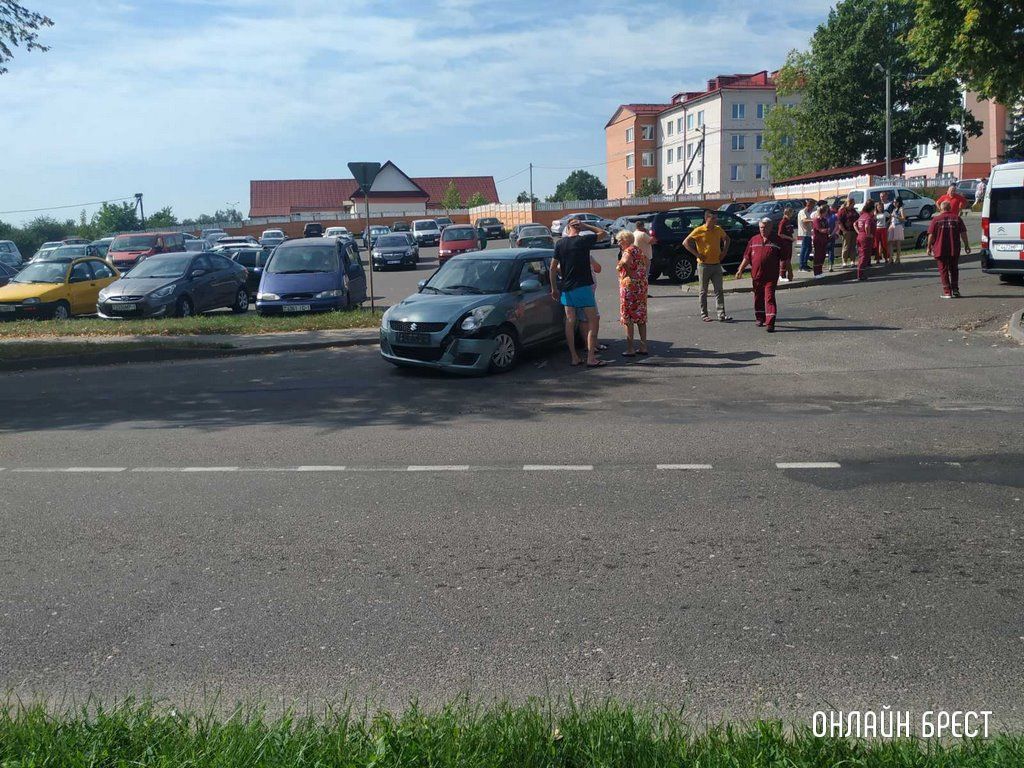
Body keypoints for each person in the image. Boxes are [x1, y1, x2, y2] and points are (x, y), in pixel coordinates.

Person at [549, 218, 607, 367]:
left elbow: (552, 268)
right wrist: (586, 225)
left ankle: (574, 357)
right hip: (583, 287)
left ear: (568, 227)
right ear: (578, 227)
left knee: (570, 321)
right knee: (592, 321)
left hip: (567, 288)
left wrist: (554, 288)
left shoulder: (560, 244)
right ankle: (591, 358)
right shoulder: (583, 240)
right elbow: (603, 233)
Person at [735, 217, 785, 332]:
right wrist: (740, 270)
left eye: (765, 227)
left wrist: (788, 272)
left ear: (770, 227)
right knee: (758, 297)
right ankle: (759, 318)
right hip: (757, 276)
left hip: (771, 276)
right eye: (761, 227)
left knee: (769, 298)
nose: (763, 229)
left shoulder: (777, 240)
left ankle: (770, 322)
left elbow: (785, 258)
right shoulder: (753, 240)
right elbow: (747, 257)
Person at [683, 210, 732, 322]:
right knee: (703, 291)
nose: (715, 221)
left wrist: (724, 252)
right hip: (703, 265)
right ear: (707, 219)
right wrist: (697, 254)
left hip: (716, 264)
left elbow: (727, 239)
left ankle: (721, 314)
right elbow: (685, 243)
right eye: (713, 219)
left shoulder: (718, 229)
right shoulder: (699, 230)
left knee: (719, 290)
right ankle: (704, 314)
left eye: (716, 219)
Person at [927, 200, 971, 298]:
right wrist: (967, 245)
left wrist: (928, 247)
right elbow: (963, 233)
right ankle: (955, 290)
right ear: (950, 208)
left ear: (941, 208)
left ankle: (947, 292)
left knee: (943, 270)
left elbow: (931, 235)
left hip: (940, 248)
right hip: (954, 247)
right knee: (954, 269)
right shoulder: (957, 218)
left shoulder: (936, 219)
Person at [615, 230, 649, 356]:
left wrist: (627, 271)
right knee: (640, 316)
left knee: (628, 317)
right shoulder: (638, 250)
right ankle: (643, 346)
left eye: (619, 240)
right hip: (641, 285)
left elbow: (623, 263)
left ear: (625, 240)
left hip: (630, 287)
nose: (618, 243)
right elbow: (647, 262)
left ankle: (630, 349)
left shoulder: (627, 251)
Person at [854, 200, 877, 281]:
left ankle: (861, 273)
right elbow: (867, 226)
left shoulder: (862, 216)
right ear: (871, 210)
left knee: (861, 255)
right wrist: (868, 234)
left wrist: (859, 232)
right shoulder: (868, 217)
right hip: (866, 239)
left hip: (860, 236)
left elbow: (855, 224)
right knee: (865, 256)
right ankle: (860, 274)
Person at [774, 207, 796, 281]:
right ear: (788, 213)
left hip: (789, 243)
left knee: (788, 258)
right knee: (784, 259)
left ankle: (786, 274)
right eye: (791, 212)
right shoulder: (783, 222)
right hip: (784, 243)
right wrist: (790, 238)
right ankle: (782, 275)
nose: (792, 214)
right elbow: (780, 234)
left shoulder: (788, 221)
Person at [837, 197, 859, 268]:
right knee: (846, 246)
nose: (854, 204)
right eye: (853, 203)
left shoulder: (854, 211)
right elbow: (839, 222)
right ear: (849, 203)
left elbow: (858, 218)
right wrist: (844, 230)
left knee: (853, 246)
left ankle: (852, 261)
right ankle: (844, 261)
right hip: (846, 231)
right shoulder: (842, 211)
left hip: (854, 230)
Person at [811, 201, 831, 276]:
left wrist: (827, 230)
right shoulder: (816, 220)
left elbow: (827, 228)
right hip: (818, 240)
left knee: (823, 256)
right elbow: (820, 229)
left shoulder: (825, 220)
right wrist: (826, 230)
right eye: (826, 212)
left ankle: (820, 271)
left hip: (824, 239)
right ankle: (816, 272)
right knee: (818, 256)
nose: (826, 213)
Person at [874, 191, 893, 264]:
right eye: (878, 207)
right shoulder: (875, 213)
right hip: (877, 229)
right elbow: (873, 220)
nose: (880, 208)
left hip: (883, 229)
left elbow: (891, 217)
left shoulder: (885, 213)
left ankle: (886, 258)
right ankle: (877, 259)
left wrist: (887, 223)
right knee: (876, 244)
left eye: (881, 207)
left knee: (884, 244)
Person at [796, 198, 815, 271]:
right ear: (808, 205)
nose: (813, 208)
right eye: (812, 206)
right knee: (804, 249)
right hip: (804, 233)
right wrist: (813, 220)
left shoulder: (807, 212)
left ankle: (805, 263)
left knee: (809, 248)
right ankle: (802, 265)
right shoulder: (803, 212)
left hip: (808, 233)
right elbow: (804, 220)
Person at [889, 198, 908, 264]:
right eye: (893, 202)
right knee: (890, 242)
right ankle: (891, 258)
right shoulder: (894, 209)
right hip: (892, 226)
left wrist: (896, 216)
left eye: (896, 202)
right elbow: (891, 219)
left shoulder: (901, 209)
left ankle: (898, 258)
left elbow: (903, 218)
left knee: (897, 243)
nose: (894, 203)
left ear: (899, 202)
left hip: (898, 226)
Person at [826, 200, 840, 272]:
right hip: (824, 236)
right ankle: (823, 265)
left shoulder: (833, 216)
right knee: (824, 251)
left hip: (831, 235)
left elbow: (837, 225)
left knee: (831, 251)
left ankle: (830, 265)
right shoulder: (822, 216)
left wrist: (833, 234)